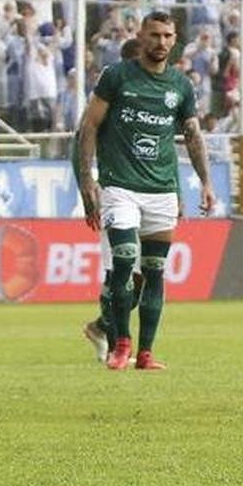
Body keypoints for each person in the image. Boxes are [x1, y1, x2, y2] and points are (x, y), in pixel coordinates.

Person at [77, 13, 216, 371]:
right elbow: (88, 127)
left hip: (162, 190)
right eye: (154, 35)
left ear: (175, 39)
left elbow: (192, 135)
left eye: (168, 35)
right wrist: (87, 181)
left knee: (153, 270)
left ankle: (146, 353)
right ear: (141, 37)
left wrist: (205, 182)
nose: (161, 42)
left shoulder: (181, 86)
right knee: (124, 259)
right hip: (120, 187)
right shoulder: (117, 77)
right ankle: (120, 342)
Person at [78, 38, 142, 363]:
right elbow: (82, 135)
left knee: (140, 277)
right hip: (114, 191)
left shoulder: (145, 98)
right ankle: (117, 345)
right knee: (118, 269)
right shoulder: (107, 96)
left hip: (145, 191)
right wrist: (86, 184)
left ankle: (101, 327)